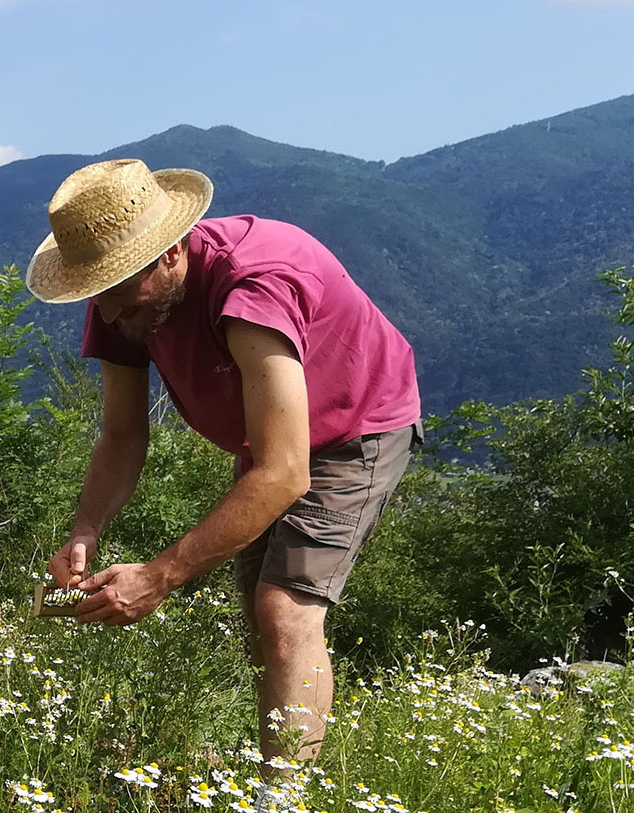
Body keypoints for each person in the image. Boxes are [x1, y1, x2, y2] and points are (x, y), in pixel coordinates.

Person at [24, 158, 422, 766]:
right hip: (269, 441)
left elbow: (285, 471)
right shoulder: (119, 294)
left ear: (171, 253)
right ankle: (279, 768)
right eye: (96, 294)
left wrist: (159, 576)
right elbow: (123, 435)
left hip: (354, 423)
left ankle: (282, 801)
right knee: (260, 624)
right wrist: (86, 530)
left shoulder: (254, 284)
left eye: (119, 295)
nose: (107, 315)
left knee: (284, 611)